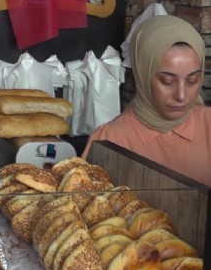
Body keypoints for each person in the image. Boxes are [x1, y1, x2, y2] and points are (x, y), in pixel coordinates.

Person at [82, 15, 211, 186]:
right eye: (168, 81)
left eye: (192, 80)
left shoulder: (208, 124)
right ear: (142, 76)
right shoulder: (110, 141)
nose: (181, 95)